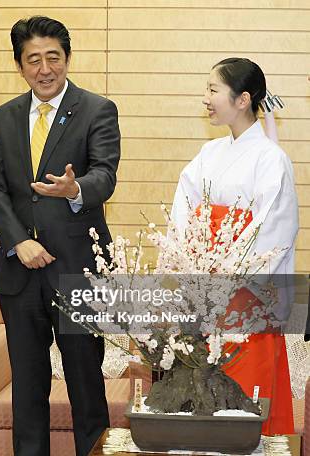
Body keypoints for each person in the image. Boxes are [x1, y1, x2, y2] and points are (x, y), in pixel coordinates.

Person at [0, 16, 120, 456]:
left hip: (79, 271)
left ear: (67, 58)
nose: (45, 69)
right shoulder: (6, 117)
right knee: (29, 390)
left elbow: (105, 175)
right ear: (20, 65)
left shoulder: (97, 109)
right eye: (33, 60)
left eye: (53, 58)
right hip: (20, 274)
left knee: (85, 387)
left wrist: (75, 189)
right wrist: (18, 241)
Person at [171, 57, 298, 435]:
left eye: (213, 89)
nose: (205, 97)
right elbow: (183, 212)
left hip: (247, 297)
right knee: (201, 392)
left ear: (242, 99)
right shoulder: (209, 154)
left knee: (245, 391)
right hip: (204, 288)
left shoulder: (271, 158)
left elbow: (274, 229)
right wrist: (190, 267)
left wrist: (228, 275)